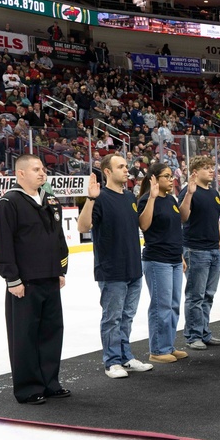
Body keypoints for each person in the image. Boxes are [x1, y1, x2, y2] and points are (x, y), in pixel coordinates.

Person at [0, 154, 69, 405]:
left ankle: (50, 382)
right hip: (24, 282)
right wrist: (12, 279)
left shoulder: (51, 201)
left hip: (49, 278)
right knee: (24, 335)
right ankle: (28, 387)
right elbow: (2, 245)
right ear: (20, 173)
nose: (42, 173)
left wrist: (61, 269)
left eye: (43, 169)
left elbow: (59, 239)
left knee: (51, 332)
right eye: (36, 169)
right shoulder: (9, 203)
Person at [77, 154, 157, 378]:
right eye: (120, 166)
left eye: (126, 166)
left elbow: (142, 225)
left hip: (133, 268)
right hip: (112, 270)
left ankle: (125, 356)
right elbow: (83, 227)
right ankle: (112, 361)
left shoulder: (130, 196)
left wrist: (151, 199)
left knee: (127, 316)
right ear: (108, 172)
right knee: (112, 318)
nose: (126, 170)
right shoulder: (100, 198)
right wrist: (90, 199)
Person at [137, 162, 192, 363]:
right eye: (167, 176)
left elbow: (176, 228)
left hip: (174, 259)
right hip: (156, 260)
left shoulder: (171, 199)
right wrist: (151, 197)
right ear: (154, 179)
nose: (171, 180)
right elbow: (144, 225)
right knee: (161, 305)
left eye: (171, 176)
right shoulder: (146, 200)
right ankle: (158, 349)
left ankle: (168, 345)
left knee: (174, 304)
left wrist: (179, 256)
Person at [180, 156, 220, 350]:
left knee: (208, 295)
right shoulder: (188, 192)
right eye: (206, 168)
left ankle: (204, 331)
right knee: (195, 295)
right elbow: (183, 218)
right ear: (195, 172)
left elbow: (216, 222)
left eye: (211, 167)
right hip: (195, 250)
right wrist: (189, 195)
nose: (211, 171)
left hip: (212, 250)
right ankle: (193, 335)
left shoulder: (214, 193)